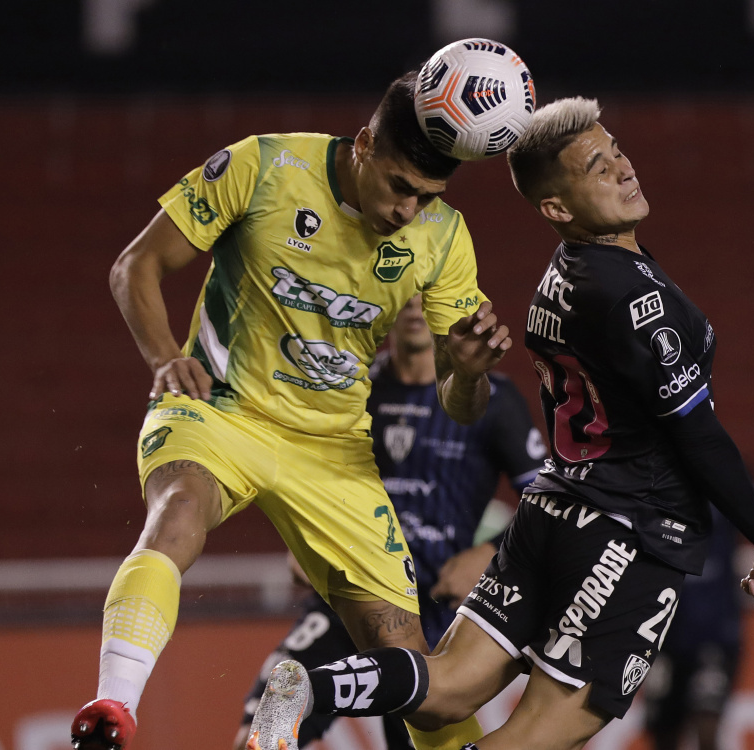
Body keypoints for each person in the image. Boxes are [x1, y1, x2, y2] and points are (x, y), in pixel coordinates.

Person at [244, 96, 754, 750]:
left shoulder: (562, 276)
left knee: (446, 689)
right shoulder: (637, 300)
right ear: (556, 208)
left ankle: (313, 687)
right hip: (631, 533)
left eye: (615, 150)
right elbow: (697, 434)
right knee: (537, 735)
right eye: (597, 167)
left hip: (551, 512)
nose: (623, 168)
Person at [70, 68, 514, 750]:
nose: (407, 210)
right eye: (400, 186)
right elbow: (136, 266)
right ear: (364, 144)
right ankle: (111, 709)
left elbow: (461, 406)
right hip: (221, 411)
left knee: (418, 682)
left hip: (334, 452)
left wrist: (472, 374)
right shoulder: (265, 167)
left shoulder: (444, 237)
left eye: (426, 197)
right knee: (179, 513)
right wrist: (163, 358)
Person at [233, 294, 546, 750]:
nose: (415, 308)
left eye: (426, 296)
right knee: (261, 730)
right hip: (352, 594)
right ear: (382, 303)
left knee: (423, 738)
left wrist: (490, 553)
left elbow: (545, 499)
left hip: (435, 615)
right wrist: (303, 538)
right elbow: (308, 475)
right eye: (406, 295)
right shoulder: (351, 388)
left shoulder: (493, 401)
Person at [642, 483, 754, 750]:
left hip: (716, 631)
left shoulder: (732, 474)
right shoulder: (657, 474)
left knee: (707, 725)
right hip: (663, 632)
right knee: (663, 732)